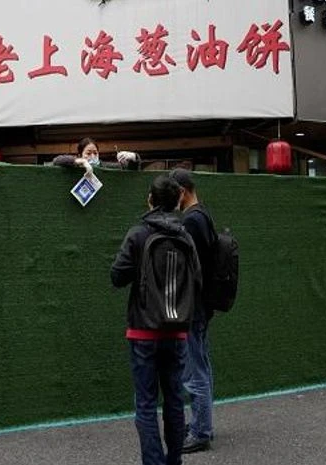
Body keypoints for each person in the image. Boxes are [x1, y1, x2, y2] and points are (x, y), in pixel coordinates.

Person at [111, 175, 201, 465]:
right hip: (177, 333)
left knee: (146, 405)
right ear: (177, 201)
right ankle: (174, 461)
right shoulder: (185, 236)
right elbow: (197, 279)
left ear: (150, 199)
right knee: (174, 401)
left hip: (143, 332)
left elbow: (117, 275)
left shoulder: (138, 234)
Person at [169, 168, 216, 453]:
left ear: (182, 191)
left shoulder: (192, 221)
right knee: (202, 365)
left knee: (194, 369)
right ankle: (202, 423)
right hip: (204, 302)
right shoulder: (204, 215)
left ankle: (201, 431)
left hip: (194, 304)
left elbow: (189, 267)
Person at [52, 137, 141, 172]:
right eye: (88, 153)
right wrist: (82, 162)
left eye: (95, 153)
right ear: (80, 154)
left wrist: (133, 157)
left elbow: (130, 169)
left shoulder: (105, 166)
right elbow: (56, 160)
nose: (93, 156)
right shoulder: (76, 165)